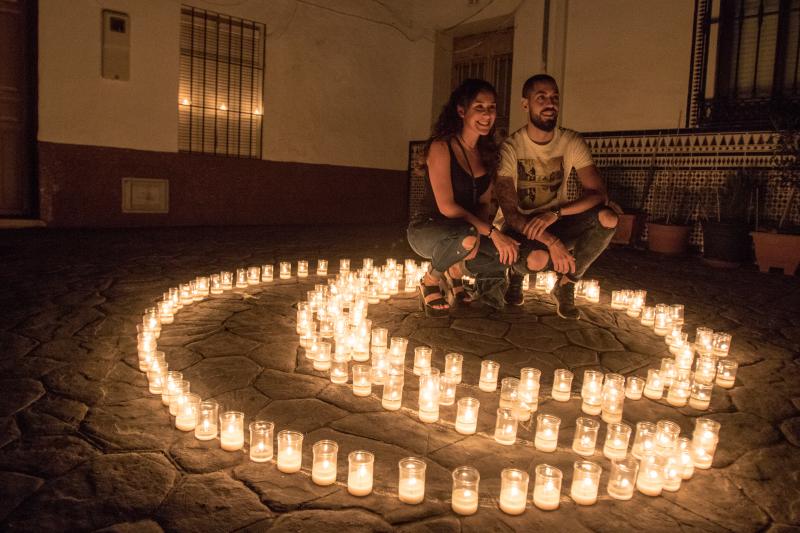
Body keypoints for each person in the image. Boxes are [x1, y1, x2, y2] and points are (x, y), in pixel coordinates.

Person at [494, 74, 621, 319]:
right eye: (541, 98)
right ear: (525, 104)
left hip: (554, 221)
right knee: (537, 258)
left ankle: (566, 284)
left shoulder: (571, 142)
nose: (549, 103)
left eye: (554, 98)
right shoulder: (510, 148)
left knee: (608, 218)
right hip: (517, 229)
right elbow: (511, 214)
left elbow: (598, 194)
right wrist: (553, 243)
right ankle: (516, 275)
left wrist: (556, 213)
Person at [408, 79, 520, 316]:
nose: (487, 115)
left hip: (466, 231)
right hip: (428, 230)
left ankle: (459, 275)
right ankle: (430, 281)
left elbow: (482, 204)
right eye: (479, 107)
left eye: (492, 108)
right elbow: (447, 207)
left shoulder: (488, 154)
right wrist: (489, 233)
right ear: (461, 110)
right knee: (467, 236)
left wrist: (483, 238)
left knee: (504, 253)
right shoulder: (441, 147)